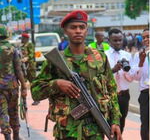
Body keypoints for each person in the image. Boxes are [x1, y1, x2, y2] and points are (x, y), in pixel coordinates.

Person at [31, 10, 122, 140]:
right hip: (66, 131)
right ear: (65, 31)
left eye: (82, 27)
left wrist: (115, 121)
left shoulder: (100, 58)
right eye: (73, 27)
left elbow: (112, 90)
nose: (78, 31)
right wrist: (56, 84)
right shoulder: (55, 61)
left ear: (87, 30)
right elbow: (35, 92)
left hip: (95, 129)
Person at [0, 25, 27, 140]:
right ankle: (16, 135)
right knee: (14, 112)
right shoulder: (13, 49)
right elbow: (18, 70)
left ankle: (7, 137)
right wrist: (24, 87)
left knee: (2, 113)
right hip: (13, 86)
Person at [105, 29, 133, 133]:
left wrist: (127, 71)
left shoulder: (127, 55)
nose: (118, 43)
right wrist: (113, 70)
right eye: (115, 40)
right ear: (109, 40)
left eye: (120, 40)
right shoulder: (103, 55)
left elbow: (130, 78)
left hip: (124, 95)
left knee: (121, 124)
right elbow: (100, 76)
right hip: (108, 95)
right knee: (107, 124)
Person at [131, 29, 150, 140]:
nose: (146, 39)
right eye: (144, 38)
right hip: (145, 93)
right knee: (145, 125)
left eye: (148, 36)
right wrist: (141, 62)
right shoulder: (139, 56)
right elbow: (136, 77)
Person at [20, 33, 39, 106]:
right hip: (23, 67)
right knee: (23, 83)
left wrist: (26, 58)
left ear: (26, 38)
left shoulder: (30, 44)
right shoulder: (22, 46)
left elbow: (31, 54)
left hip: (30, 67)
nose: (21, 39)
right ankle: (23, 101)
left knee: (33, 83)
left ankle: (36, 99)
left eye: (22, 38)